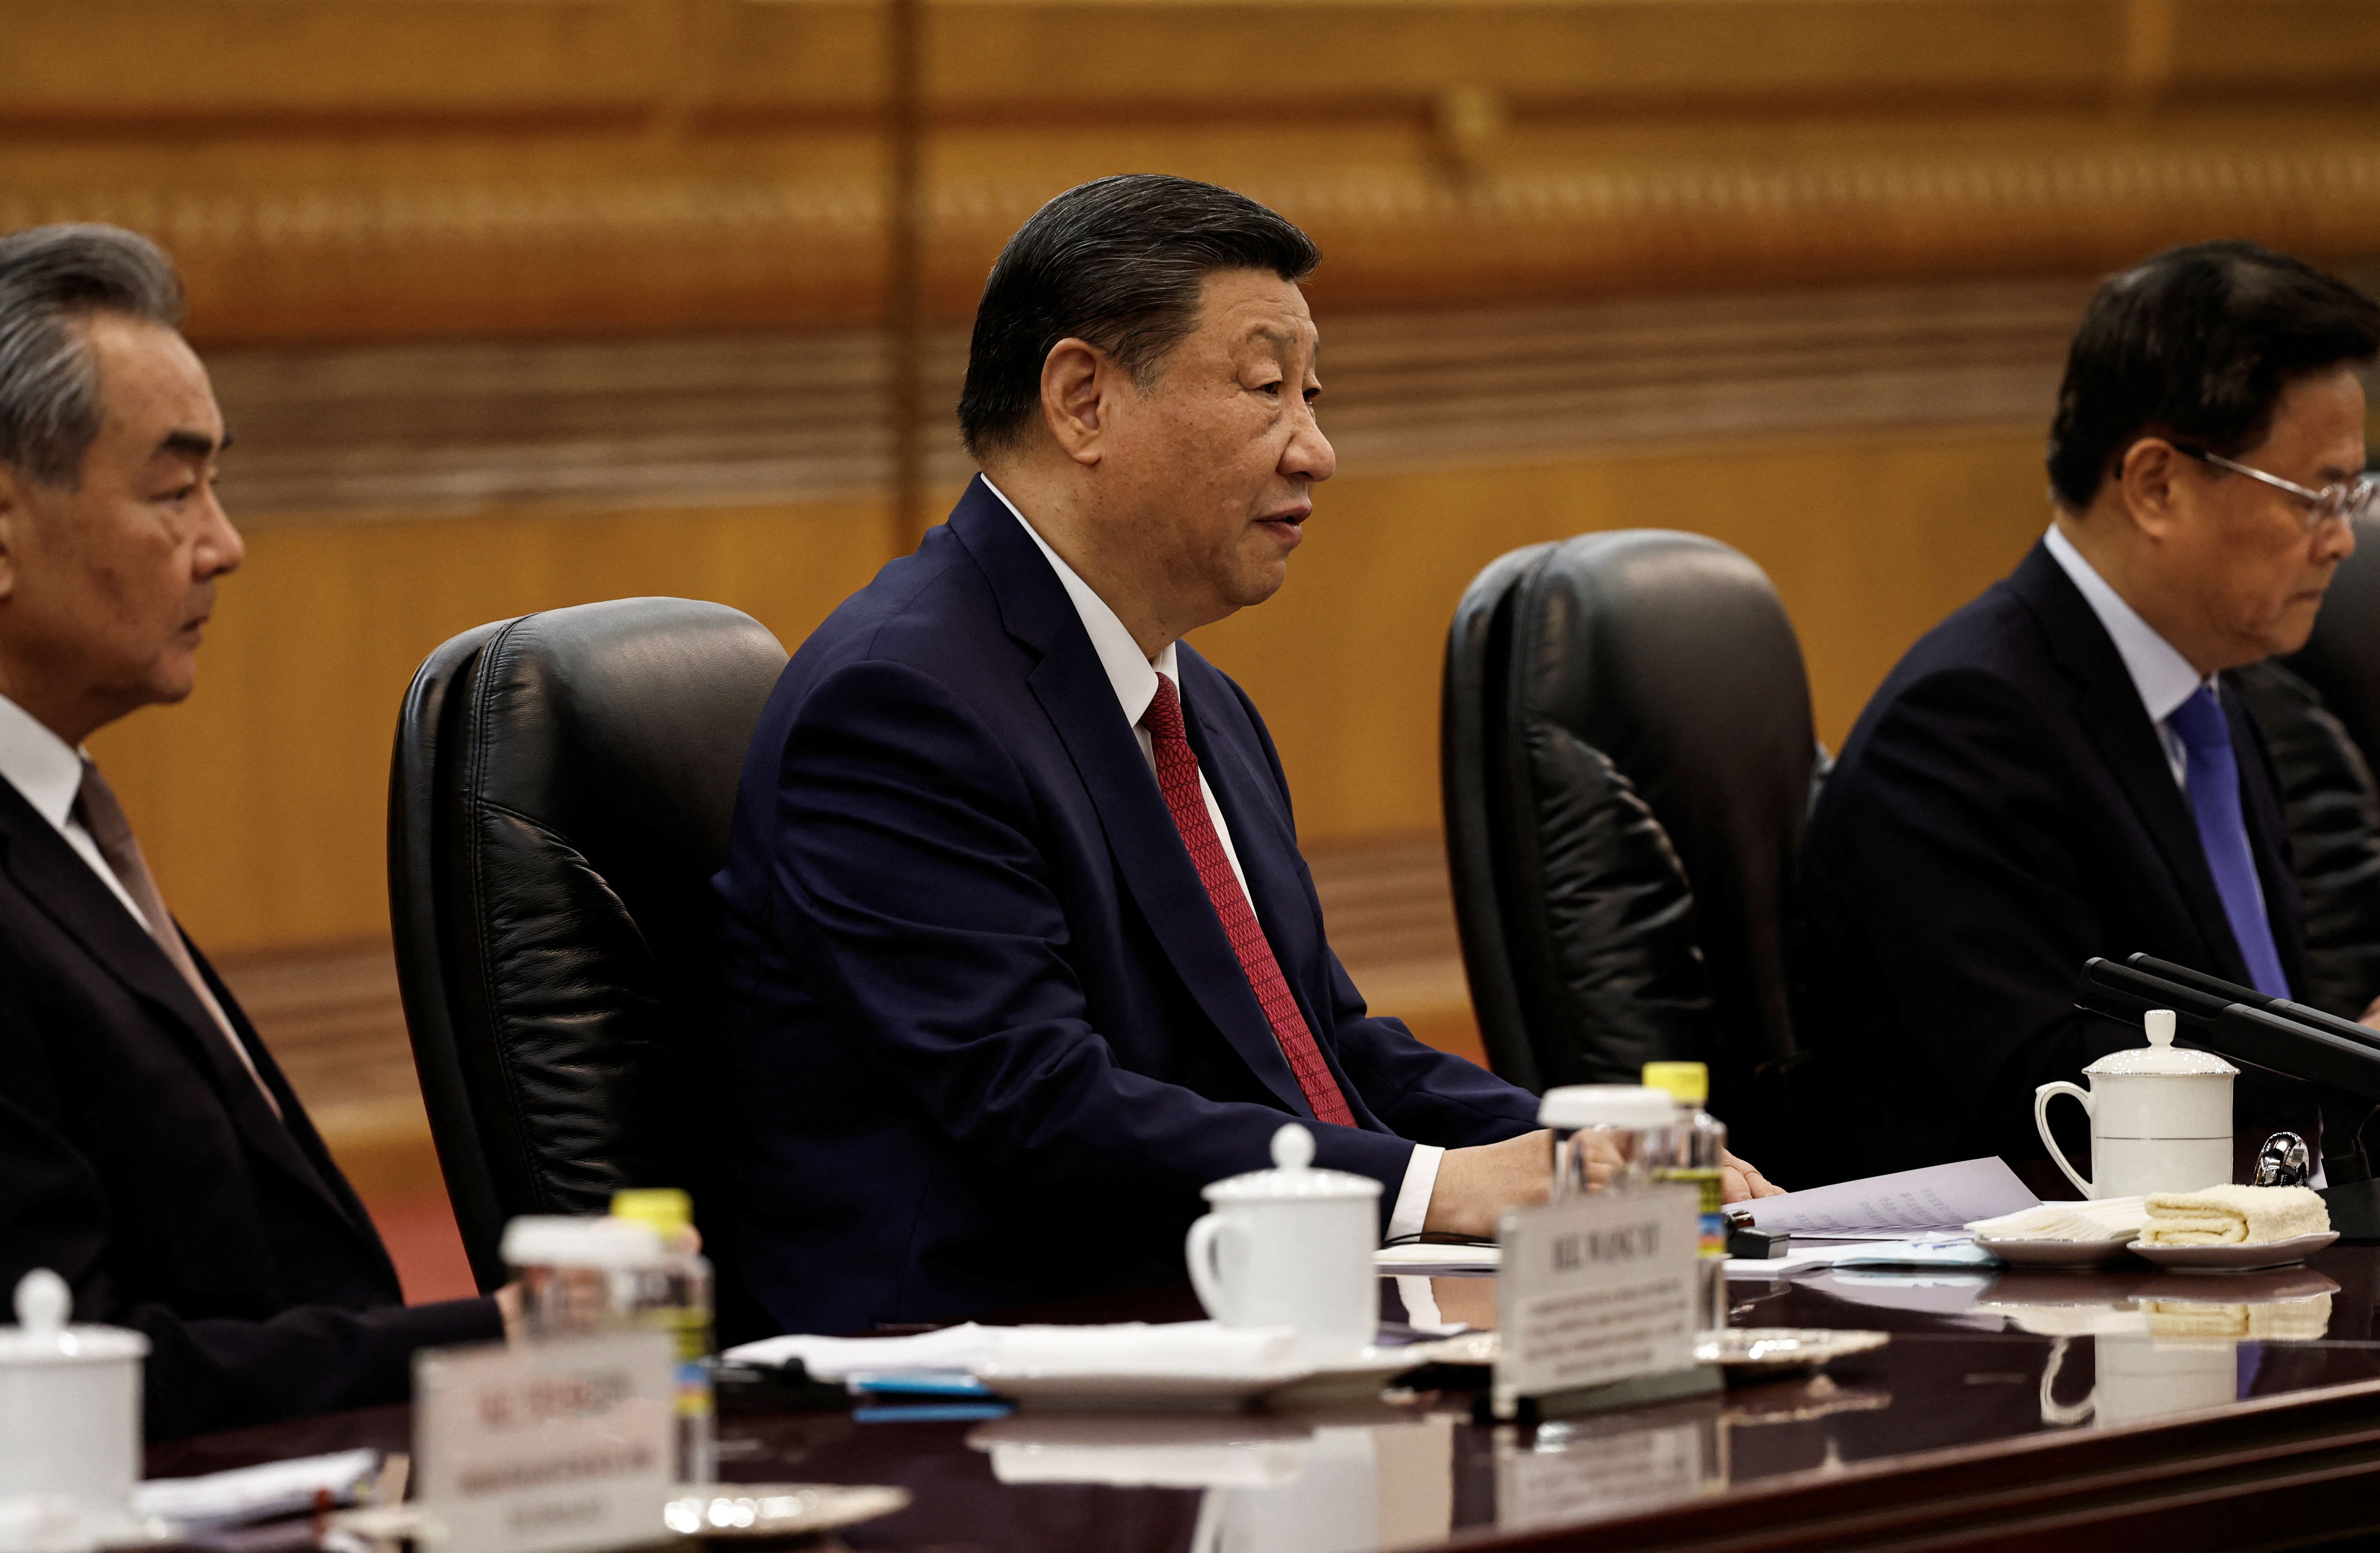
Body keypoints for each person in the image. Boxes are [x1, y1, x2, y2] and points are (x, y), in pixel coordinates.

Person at [717, 175, 1778, 1335]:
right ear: (1082, 401)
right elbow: (1040, 1105)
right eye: (1266, 389)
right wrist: (1441, 1187)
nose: (1316, 450)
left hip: (1230, 1329)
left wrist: (1585, 1155)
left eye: (1310, 396)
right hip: (978, 1398)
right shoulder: (900, 705)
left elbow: (1322, 1046)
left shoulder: (1194, 699)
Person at [0, 225, 508, 1440]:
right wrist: (509, 1337)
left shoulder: (59, 822)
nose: (225, 544)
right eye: (175, 492)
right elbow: (58, 1368)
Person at [1799, 240, 2380, 1183]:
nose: (2341, 539)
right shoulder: (1961, 729)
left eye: (2350, 492)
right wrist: (2360, 1073)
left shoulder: (2213, 697)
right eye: (2314, 494)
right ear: (2154, 484)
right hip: (2017, 1312)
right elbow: (2052, 1101)